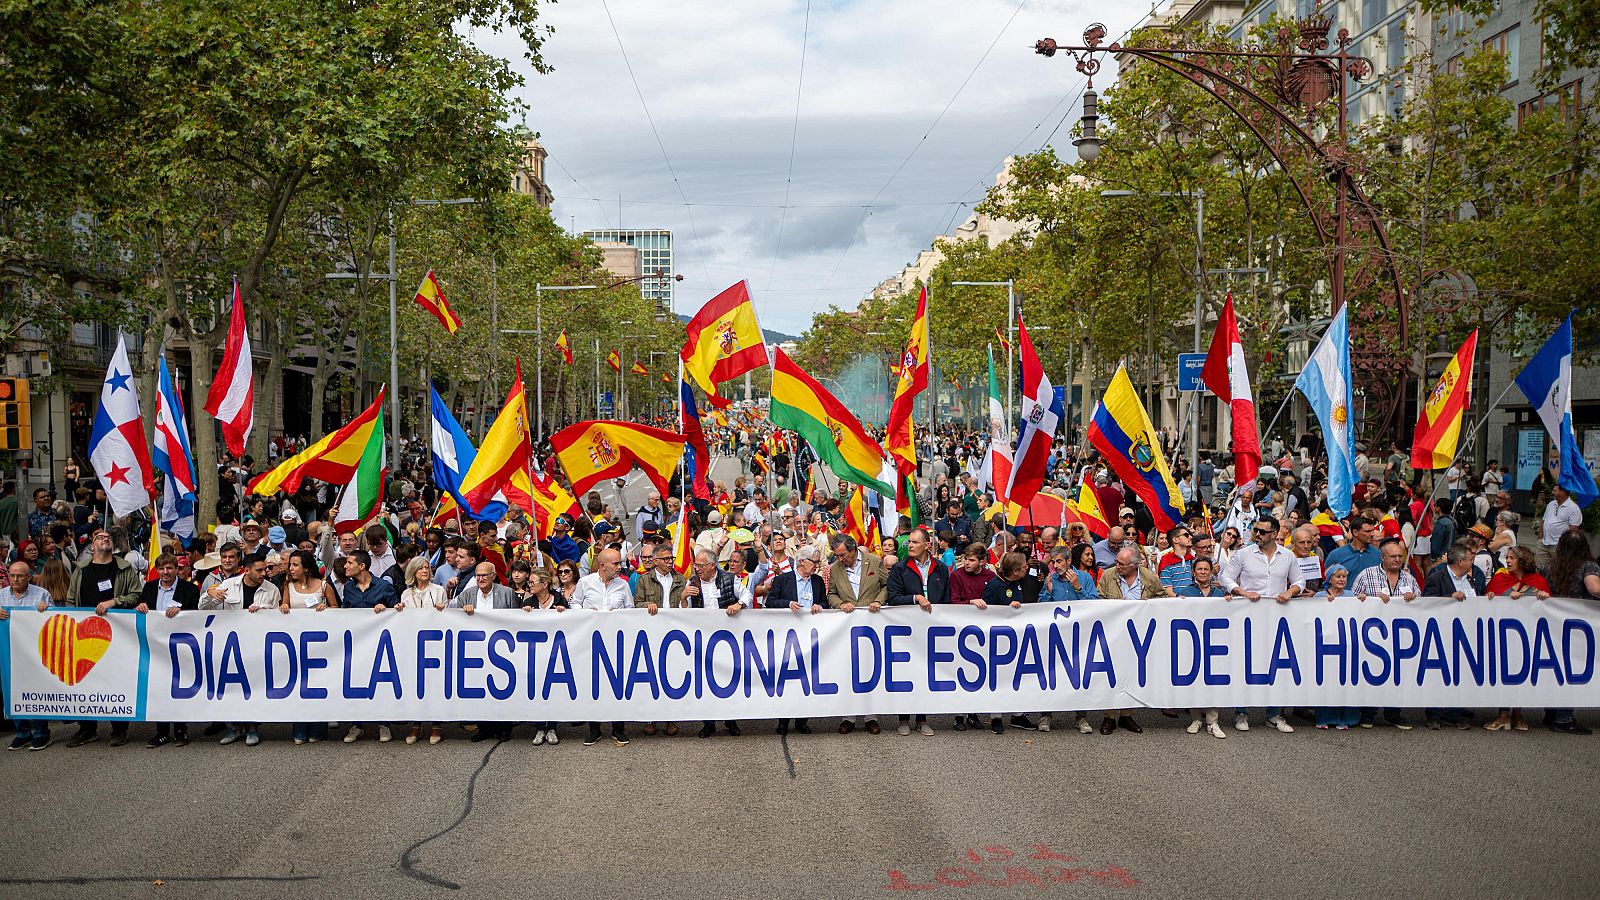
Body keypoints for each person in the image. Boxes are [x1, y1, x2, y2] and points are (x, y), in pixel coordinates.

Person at [1218, 516, 1303, 733]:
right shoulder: (1243, 554)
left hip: (1277, 617)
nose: (1257, 534)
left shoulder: (1288, 556)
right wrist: (1242, 592)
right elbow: (1225, 578)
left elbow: (1299, 581)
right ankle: (1241, 712)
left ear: (1274, 534)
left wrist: (1290, 591)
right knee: (1245, 662)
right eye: (1255, 530)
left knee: (1276, 664)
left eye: (1262, 532)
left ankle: (1273, 714)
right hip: (1248, 616)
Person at [63, 528, 142, 748]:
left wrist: (114, 602)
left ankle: (119, 728)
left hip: (116, 633)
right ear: (92, 545)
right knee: (85, 679)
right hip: (86, 633)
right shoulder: (81, 569)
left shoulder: (124, 568)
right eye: (99, 537)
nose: (104, 539)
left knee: (115, 679)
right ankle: (87, 729)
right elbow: (71, 599)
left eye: (107, 537)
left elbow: (136, 594)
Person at [1349, 539, 1420, 730]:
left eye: (1399, 556)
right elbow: (1351, 600)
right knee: (1371, 674)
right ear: (1382, 557)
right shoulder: (1367, 575)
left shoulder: (1409, 579)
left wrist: (1413, 598)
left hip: (1401, 636)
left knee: (1398, 674)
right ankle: (1368, 714)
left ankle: (1393, 714)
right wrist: (1368, 600)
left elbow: (1421, 605)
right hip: (1372, 636)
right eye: (1393, 556)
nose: (1397, 559)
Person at [886, 527, 949, 736]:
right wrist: (915, 598)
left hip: (930, 630)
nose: (910, 545)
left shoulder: (940, 568)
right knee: (906, 673)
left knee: (925, 673)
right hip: (906, 629)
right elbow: (893, 598)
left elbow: (946, 599)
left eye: (915, 542)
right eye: (910, 542)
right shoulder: (900, 568)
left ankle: (922, 719)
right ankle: (903, 718)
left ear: (927, 545)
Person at [569, 548, 634, 746]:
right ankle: (594, 729)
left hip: (615, 644)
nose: (620, 567)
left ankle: (618, 729)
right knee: (593, 686)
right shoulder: (585, 582)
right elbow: (574, 603)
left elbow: (630, 610)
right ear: (602, 565)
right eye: (615, 563)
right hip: (591, 643)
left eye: (620, 563)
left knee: (617, 686)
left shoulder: (623, 585)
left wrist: (619, 614)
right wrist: (588, 613)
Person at [1483, 546, 1549, 733]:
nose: (1508, 561)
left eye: (1512, 558)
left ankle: (1518, 713)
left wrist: (1544, 597)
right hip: (1503, 635)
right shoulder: (1499, 579)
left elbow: (1549, 609)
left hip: (1528, 636)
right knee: (1504, 672)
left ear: (1523, 560)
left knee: (1523, 673)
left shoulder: (1538, 581)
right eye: (1507, 557)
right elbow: (1486, 602)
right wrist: (1492, 597)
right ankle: (1503, 714)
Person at [135, 552, 199, 747]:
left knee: (179, 689)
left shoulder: (189, 589)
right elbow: (142, 608)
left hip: (180, 646)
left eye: (170, 568)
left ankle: (181, 731)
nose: (166, 572)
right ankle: (161, 732)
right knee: (159, 689)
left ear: (177, 569)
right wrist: (140, 606)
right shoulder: (149, 587)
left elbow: (197, 615)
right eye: (162, 568)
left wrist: (182, 612)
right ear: (157, 570)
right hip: (156, 647)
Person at [1541, 530, 1600, 735]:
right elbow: (1594, 588)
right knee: (1571, 670)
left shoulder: (1549, 566)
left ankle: (1551, 712)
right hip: (1579, 627)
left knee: (1555, 669)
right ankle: (1564, 718)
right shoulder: (1588, 566)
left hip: (1553, 623)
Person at [973, 551, 1038, 734]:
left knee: (1017, 677)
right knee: (999, 678)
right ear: (1015, 571)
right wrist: (1005, 611)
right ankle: (996, 716)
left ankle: (1018, 715)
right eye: (1024, 567)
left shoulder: (1018, 582)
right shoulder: (995, 586)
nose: (1027, 568)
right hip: (997, 639)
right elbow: (985, 612)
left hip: (1016, 637)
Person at [684, 548, 746, 738]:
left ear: (712, 565)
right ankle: (708, 723)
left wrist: (738, 605)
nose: (697, 568)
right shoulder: (692, 582)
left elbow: (746, 595)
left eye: (700, 565)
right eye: (696, 565)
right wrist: (683, 597)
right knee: (706, 681)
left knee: (729, 679)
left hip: (727, 639)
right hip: (703, 641)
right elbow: (683, 612)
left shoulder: (730, 579)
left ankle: (731, 720)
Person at [767, 546, 826, 735]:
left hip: (810, 636)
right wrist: (788, 604)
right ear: (801, 561)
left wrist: (819, 606)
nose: (816, 566)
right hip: (788, 636)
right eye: (814, 562)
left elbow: (825, 602)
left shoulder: (817, 581)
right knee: (787, 679)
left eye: (818, 562)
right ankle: (783, 721)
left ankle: (802, 720)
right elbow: (770, 602)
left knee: (807, 678)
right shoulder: (783, 579)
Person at [3, 559, 54, 750]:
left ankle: (42, 733)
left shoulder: (41, 594)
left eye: (19, 576)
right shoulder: (1, 595)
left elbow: (54, 621)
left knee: (36, 690)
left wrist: (46, 610)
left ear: (29, 577)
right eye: (12, 575)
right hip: (9, 652)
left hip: (34, 653)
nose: (15, 579)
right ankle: (22, 733)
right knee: (13, 690)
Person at [1176, 557, 1227, 739]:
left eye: (1206, 569)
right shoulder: (1185, 591)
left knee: (1213, 682)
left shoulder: (1219, 593)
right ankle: (1196, 719)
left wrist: (1230, 603)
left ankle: (1213, 722)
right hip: (1192, 642)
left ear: (1211, 572)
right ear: (1193, 572)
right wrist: (1178, 602)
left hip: (1214, 643)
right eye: (1200, 569)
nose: (1203, 572)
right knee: (1194, 681)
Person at [1537, 485, 1585, 569]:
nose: (1552, 492)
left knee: (1558, 570)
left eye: (1554, 491)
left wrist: (1565, 546)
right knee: (1541, 569)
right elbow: (1543, 522)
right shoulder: (1551, 504)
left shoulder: (1573, 508)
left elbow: (1573, 530)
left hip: (1559, 546)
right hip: (1543, 544)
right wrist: (1539, 540)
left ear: (1562, 492)